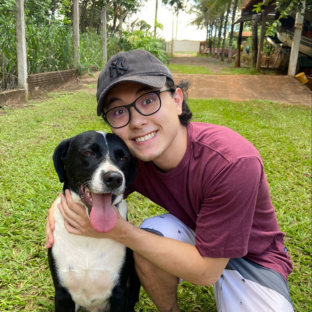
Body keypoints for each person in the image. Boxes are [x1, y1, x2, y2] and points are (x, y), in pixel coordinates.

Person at [46, 49, 294, 312]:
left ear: (177, 100)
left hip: (252, 258)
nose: (138, 122)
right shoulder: (130, 160)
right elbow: (95, 182)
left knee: (139, 238)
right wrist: (60, 206)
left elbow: (206, 271)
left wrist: (122, 231)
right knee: (151, 236)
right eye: (119, 111)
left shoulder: (232, 160)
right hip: (197, 233)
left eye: (148, 100)